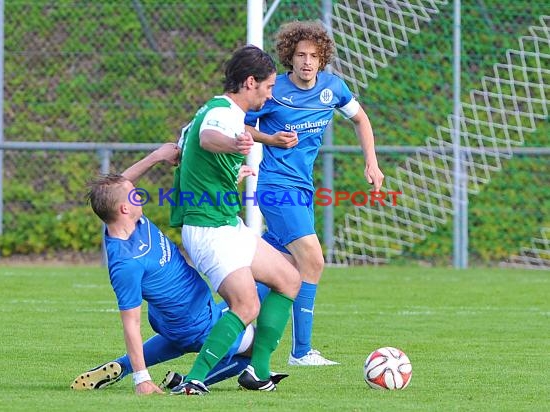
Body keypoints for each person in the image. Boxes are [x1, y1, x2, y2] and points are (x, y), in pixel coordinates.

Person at [76, 144, 287, 395]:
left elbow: (119, 185)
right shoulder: (126, 262)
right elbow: (131, 323)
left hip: (180, 317)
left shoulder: (131, 223)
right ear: (124, 208)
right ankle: (188, 381)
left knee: (255, 290)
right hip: (194, 322)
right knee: (254, 349)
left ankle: (122, 366)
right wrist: (142, 380)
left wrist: (155, 157)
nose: (139, 195)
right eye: (134, 195)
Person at [245, 20, 385, 366]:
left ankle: (224, 321)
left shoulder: (333, 89)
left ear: (323, 60)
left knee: (276, 268)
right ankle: (301, 351)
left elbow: (361, 119)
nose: (307, 62)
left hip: (302, 189)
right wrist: (271, 139)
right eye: (300, 55)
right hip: (276, 187)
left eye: (314, 56)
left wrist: (372, 163)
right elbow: (243, 124)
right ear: (289, 58)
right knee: (313, 260)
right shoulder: (273, 90)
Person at [168, 45, 302, 395]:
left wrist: (266, 140)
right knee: (246, 305)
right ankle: (193, 381)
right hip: (210, 230)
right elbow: (208, 138)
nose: (270, 94)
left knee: (289, 278)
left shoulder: (222, 110)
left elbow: (199, 139)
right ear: (249, 82)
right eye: (269, 87)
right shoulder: (219, 114)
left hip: (226, 224)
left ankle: (256, 371)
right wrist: (233, 146)